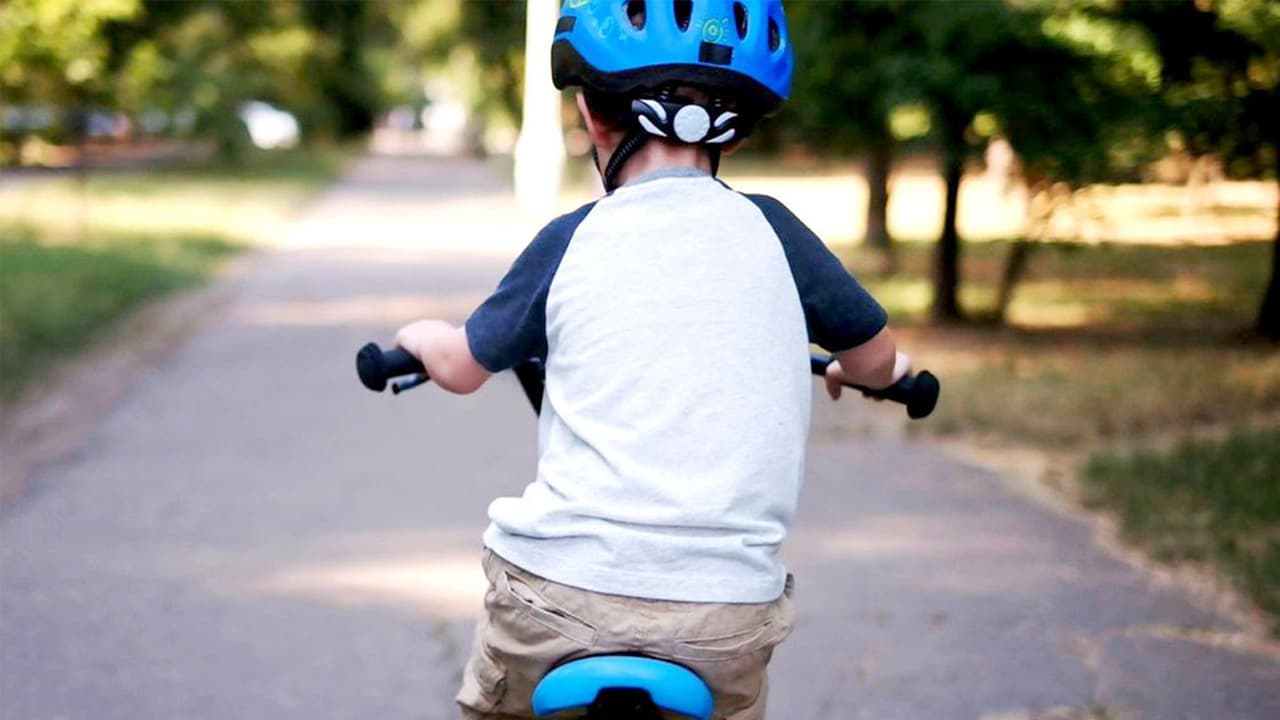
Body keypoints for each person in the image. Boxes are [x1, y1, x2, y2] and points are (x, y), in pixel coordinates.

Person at [393, 1, 911, 717]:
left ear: (591, 118)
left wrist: (421, 337)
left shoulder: (573, 237)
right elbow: (878, 360)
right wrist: (861, 372)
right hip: (725, 614)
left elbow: (460, 365)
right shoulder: (778, 234)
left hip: (555, 600)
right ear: (738, 122)